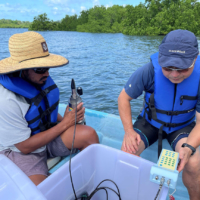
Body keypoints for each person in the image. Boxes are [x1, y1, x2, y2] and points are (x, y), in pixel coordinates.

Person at [0, 31, 99, 186]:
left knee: (89, 134)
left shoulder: (38, 80)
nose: (46, 73)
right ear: (22, 69)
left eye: (47, 67)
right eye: (40, 68)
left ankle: (91, 183)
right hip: (21, 152)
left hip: (45, 136)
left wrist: (67, 118)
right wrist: (66, 123)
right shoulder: (6, 100)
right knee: (42, 192)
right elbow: (25, 147)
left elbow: (44, 110)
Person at [118, 29, 200, 200]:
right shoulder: (149, 70)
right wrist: (129, 131)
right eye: (168, 67)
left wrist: (189, 148)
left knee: (193, 163)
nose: (175, 74)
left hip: (182, 126)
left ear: (195, 58)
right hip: (150, 123)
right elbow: (123, 98)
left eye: (182, 68)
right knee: (126, 153)